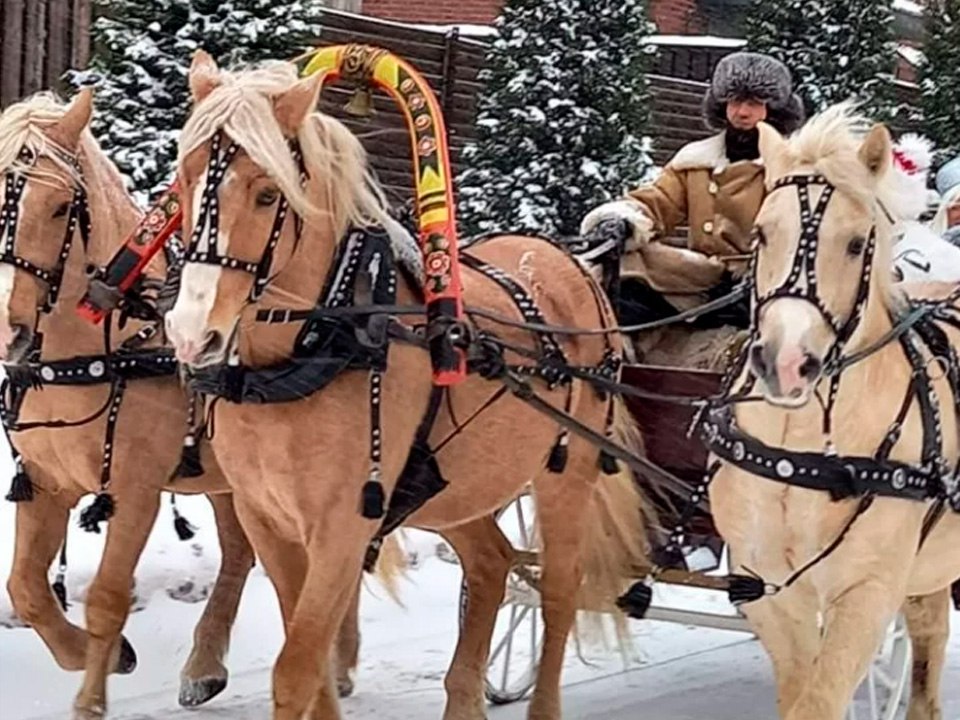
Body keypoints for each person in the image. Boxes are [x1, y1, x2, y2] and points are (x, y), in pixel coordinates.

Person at [580, 52, 805, 329]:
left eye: (753, 103)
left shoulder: (793, 167)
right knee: (622, 259)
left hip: (764, 278)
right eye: (735, 101)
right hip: (699, 274)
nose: (742, 112)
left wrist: (757, 281)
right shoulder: (695, 160)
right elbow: (657, 201)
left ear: (774, 108)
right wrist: (619, 222)